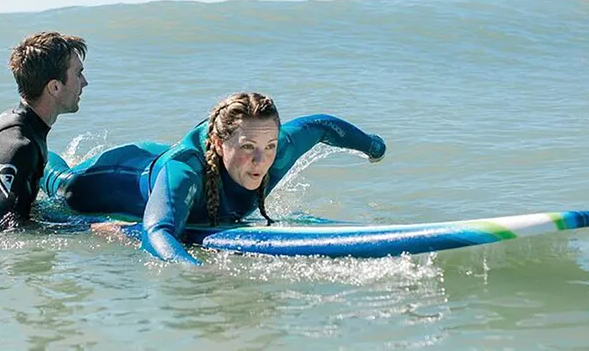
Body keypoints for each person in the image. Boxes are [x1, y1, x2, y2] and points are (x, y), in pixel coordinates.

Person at [43, 92, 386, 265]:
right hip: (119, 177)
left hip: (162, 157)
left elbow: (321, 126)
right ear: (220, 144)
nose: (260, 159)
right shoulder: (186, 172)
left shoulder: (275, 149)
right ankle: (38, 154)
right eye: (248, 147)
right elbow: (157, 231)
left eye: (268, 146)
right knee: (65, 188)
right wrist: (195, 271)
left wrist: (372, 146)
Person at [0, 31, 89, 231]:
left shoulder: (24, 126)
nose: (84, 82)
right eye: (78, 74)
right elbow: (10, 229)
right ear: (54, 87)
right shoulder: (17, 145)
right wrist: (88, 230)